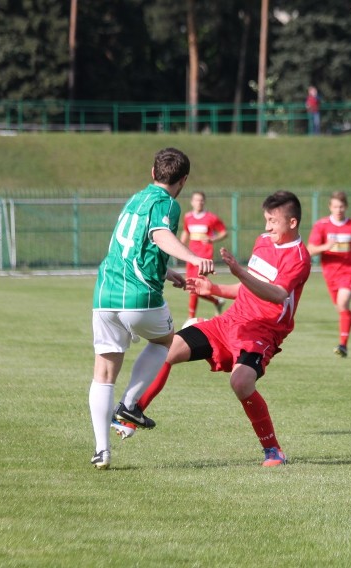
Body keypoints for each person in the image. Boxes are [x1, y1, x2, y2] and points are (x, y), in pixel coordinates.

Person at [109, 191, 311, 468]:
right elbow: (248, 289)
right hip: (230, 321)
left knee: (241, 383)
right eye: (266, 220)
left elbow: (276, 294)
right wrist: (213, 289)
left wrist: (240, 272)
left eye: (273, 221)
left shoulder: (299, 257)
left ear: (292, 222)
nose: (266, 227)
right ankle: (133, 411)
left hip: (262, 332)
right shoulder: (263, 242)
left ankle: (273, 450)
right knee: (167, 349)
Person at [88, 147, 215, 470]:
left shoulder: (135, 199)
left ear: (152, 172)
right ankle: (130, 405)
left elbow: (133, 245)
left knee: (104, 372)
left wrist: (167, 272)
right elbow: (159, 235)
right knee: (165, 341)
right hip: (138, 297)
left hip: (105, 294)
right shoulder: (167, 203)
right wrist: (192, 258)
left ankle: (102, 450)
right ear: (184, 180)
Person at [307, 191, 351, 358]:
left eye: (341, 206)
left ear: (346, 207)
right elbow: (310, 249)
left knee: (342, 304)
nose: (338, 210)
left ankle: (342, 346)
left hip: (349, 271)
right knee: (341, 309)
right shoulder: (321, 225)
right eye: (335, 206)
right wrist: (325, 246)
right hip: (330, 273)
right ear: (330, 207)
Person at [180, 191, 228, 318]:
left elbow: (224, 232)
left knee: (195, 286)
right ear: (192, 202)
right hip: (191, 255)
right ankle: (217, 302)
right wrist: (179, 247)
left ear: (204, 202)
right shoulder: (188, 217)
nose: (199, 202)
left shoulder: (211, 217)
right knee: (191, 287)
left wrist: (212, 239)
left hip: (204, 256)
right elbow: (185, 232)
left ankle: (190, 319)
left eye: (201, 200)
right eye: (196, 200)